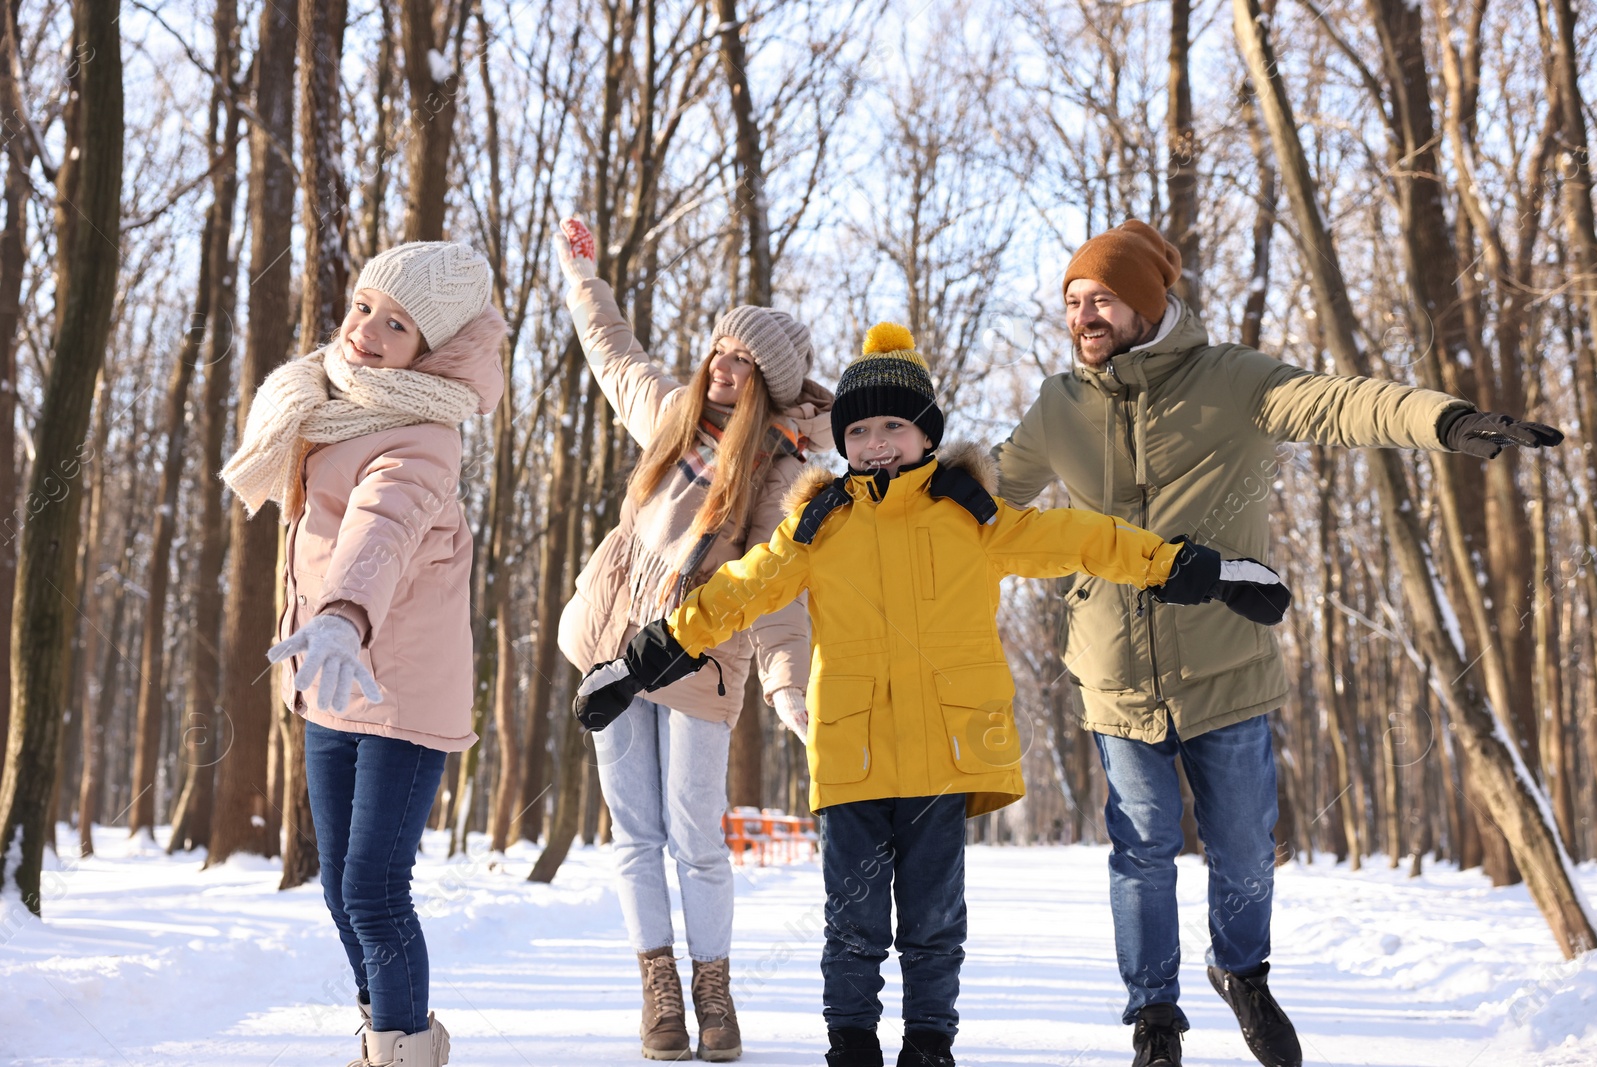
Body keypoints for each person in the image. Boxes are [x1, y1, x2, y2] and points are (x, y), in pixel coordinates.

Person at [571, 323, 1291, 1067]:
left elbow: (1085, 539)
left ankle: (928, 1045)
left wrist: (1201, 570)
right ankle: (850, 1044)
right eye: (859, 430)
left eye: (893, 426)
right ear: (843, 442)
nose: (876, 443)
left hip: (944, 761)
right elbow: (735, 594)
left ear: (925, 434)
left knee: (934, 924)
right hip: (851, 759)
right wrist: (640, 660)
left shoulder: (970, 517)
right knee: (851, 926)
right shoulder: (817, 527)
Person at [991, 220, 1564, 1067]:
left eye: (1102, 298)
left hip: (1225, 656)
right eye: (1073, 301)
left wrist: (1444, 420)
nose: (1084, 315)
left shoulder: (1231, 378)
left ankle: (1242, 969)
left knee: (1245, 844)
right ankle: (1154, 1013)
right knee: (1141, 847)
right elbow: (983, 501)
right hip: (1114, 670)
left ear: (1147, 305)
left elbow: (1338, 403)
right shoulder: (1058, 406)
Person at [552, 217, 831, 1061]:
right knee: (634, 834)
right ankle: (659, 989)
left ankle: (715, 988)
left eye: (741, 360)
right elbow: (613, 351)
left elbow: (778, 592)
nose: (722, 365)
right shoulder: (671, 417)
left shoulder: (779, 470)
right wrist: (581, 275)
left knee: (694, 834)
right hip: (611, 644)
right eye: (719, 350)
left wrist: (789, 689)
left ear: (766, 383)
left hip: (701, 659)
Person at [220, 241, 505, 1067]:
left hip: (403, 695)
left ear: (432, 348)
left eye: (398, 323)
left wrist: (343, 611)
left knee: (374, 889)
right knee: (341, 890)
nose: (368, 331)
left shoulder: (425, 435)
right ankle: (387, 1030)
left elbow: (383, 528)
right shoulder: (326, 402)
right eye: (365, 307)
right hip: (331, 680)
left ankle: (406, 1050)